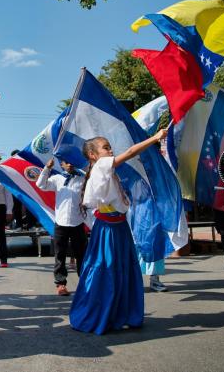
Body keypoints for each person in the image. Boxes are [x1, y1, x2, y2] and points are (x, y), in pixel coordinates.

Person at [69, 129, 167, 335]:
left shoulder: (103, 169)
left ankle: (119, 313)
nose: (110, 149)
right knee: (109, 271)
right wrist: (155, 138)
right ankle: (104, 315)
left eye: (110, 146)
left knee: (121, 270)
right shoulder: (101, 165)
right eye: (106, 147)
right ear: (93, 155)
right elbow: (131, 151)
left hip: (118, 227)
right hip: (109, 230)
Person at [36, 158, 87, 296]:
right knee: (60, 254)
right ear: (62, 164)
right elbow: (41, 184)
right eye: (66, 161)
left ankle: (85, 283)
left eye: (71, 160)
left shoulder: (82, 178)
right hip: (61, 222)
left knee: (81, 254)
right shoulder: (57, 178)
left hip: (77, 222)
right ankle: (61, 283)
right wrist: (47, 168)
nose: (70, 163)